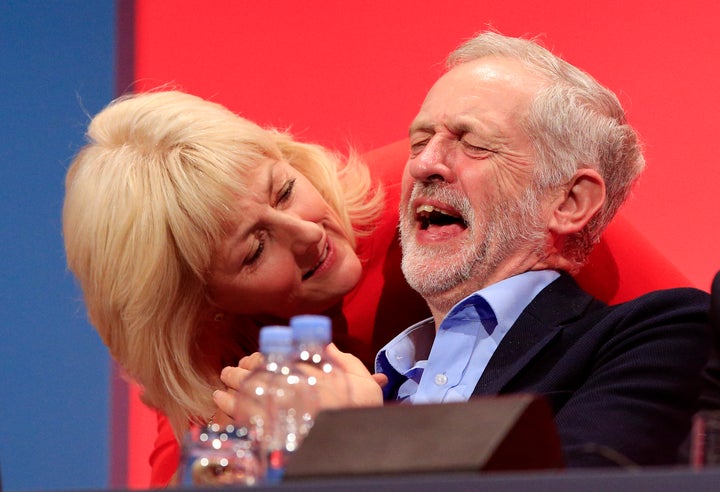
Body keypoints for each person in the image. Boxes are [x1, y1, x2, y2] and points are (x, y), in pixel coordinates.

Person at [217, 31, 712, 468]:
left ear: (568, 201)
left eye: (472, 143)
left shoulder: (657, 334)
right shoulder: (361, 380)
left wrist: (355, 440)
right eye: (420, 141)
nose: (423, 165)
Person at [62, 90, 429, 485]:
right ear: (202, 305)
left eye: (285, 191)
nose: (307, 232)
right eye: (255, 250)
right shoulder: (223, 372)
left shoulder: (419, 188)